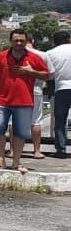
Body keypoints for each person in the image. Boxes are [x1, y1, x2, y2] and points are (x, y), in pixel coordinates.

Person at [0, 29, 50, 173]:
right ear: (11, 41)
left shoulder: (34, 58)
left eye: (22, 40)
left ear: (26, 41)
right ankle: (0, 158)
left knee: (21, 133)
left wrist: (30, 72)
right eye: (16, 40)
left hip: (24, 101)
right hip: (2, 99)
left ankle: (16, 162)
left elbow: (47, 75)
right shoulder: (0, 57)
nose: (19, 43)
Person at [46, 31, 71, 159]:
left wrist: (50, 90)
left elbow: (49, 75)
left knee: (60, 121)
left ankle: (61, 150)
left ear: (54, 41)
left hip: (61, 88)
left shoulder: (49, 53)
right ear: (68, 39)